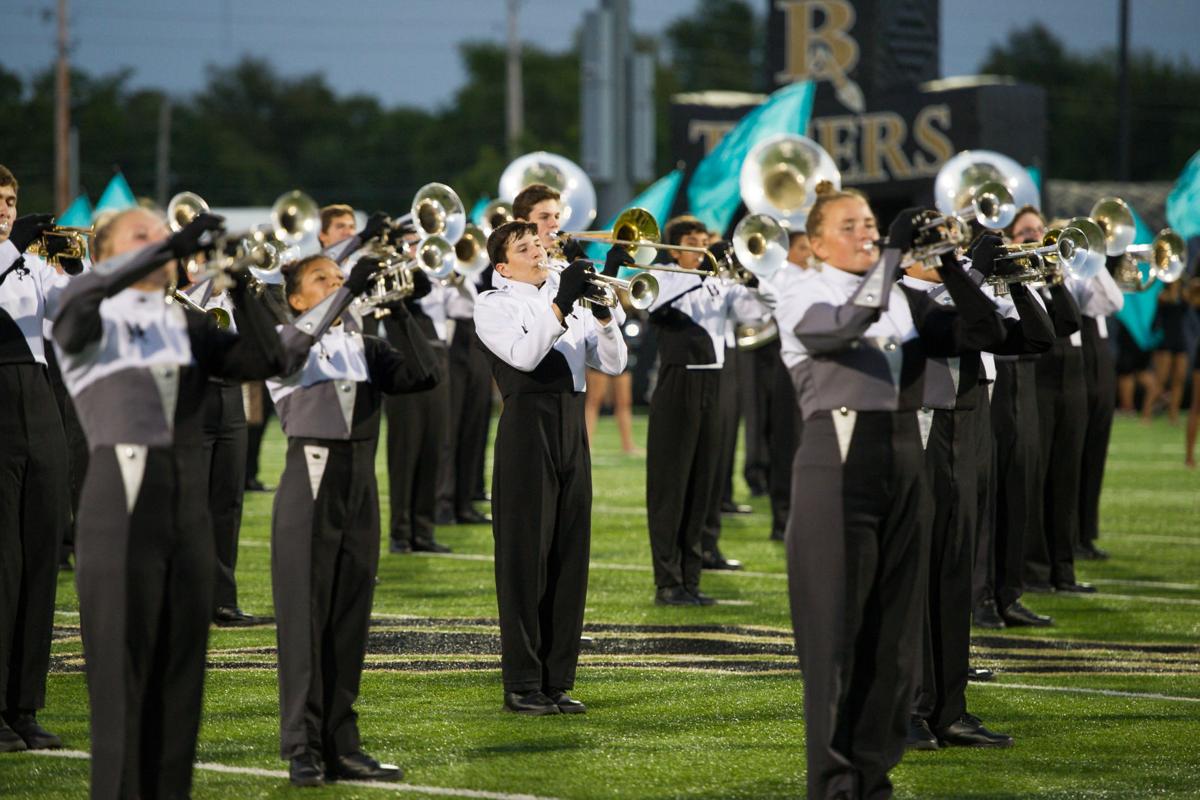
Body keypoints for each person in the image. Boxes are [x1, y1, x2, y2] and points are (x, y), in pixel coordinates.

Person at [775, 184, 1007, 799]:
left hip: (904, 462)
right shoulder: (801, 286)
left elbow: (986, 330)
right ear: (816, 242)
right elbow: (838, 331)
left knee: (894, 644)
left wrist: (954, 264)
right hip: (838, 464)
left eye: (870, 224)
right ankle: (834, 785)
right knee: (837, 639)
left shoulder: (903, 296)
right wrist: (891, 259)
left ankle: (873, 778)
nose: (865, 233)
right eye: (848, 226)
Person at [51, 206, 285, 798]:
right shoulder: (87, 307)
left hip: (185, 502)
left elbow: (269, 360)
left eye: (165, 236)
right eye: (144, 235)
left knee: (182, 677)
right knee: (122, 672)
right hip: (122, 491)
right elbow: (79, 308)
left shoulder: (185, 323)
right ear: (105, 253)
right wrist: (173, 244)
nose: (162, 244)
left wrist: (245, 281)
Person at [268, 252, 440, 786]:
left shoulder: (364, 344)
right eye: (322, 279)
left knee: (349, 618)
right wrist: (347, 293)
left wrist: (403, 309)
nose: (338, 284)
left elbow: (424, 375)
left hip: (360, 479)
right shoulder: (282, 336)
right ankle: (302, 746)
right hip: (311, 474)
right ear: (296, 297)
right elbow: (292, 351)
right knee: (305, 615)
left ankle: (342, 744)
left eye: (342, 278)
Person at [901, 234, 1055, 752]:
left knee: (955, 572)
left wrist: (1020, 284)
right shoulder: (897, 295)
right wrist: (969, 272)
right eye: (938, 254)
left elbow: (1036, 340)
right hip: (920, 432)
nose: (949, 261)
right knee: (918, 574)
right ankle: (910, 708)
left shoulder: (960, 294)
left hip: (968, 427)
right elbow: (939, 324)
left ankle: (949, 710)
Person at [474, 221, 627, 715]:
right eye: (525, 248)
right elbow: (524, 356)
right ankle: (522, 683)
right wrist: (560, 303)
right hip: (526, 428)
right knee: (524, 559)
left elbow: (614, 364)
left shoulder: (567, 295)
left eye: (538, 244)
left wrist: (603, 315)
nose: (539, 252)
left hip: (571, 426)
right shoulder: (493, 304)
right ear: (503, 267)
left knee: (569, 555)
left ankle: (557, 680)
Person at [644, 216, 775, 605]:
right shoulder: (662, 275)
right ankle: (667, 581)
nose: (701, 247)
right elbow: (655, 306)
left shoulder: (719, 281)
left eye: (704, 241)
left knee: (704, 483)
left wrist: (749, 276)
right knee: (671, 486)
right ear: (674, 249)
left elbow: (761, 310)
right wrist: (705, 271)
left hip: (714, 383)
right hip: (678, 382)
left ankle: (691, 578)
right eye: (692, 242)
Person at [0, 164, 70, 754]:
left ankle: (24, 706)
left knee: (42, 555)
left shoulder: (28, 263)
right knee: (3, 562)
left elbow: (74, 311)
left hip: (39, 396)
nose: (5, 208)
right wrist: (13, 248)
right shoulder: (11, 256)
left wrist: (80, 268)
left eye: (10, 199)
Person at [973, 207, 1061, 629]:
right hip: (984, 390)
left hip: (1016, 385)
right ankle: (981, 596)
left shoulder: (1012, 278)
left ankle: (1009, 593)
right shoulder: (963, 280)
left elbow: (1046, 329)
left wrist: (1018, 279)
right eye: (1024, 232)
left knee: (1016, 491)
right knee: (986, 500)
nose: (1032, 238)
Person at [764, 230, 814, 541]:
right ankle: (782, 520)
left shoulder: (816, 277)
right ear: (791, 250)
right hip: (791, 365)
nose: (809, 253)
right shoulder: (781, 278)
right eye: (803, 248)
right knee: (787, 442)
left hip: (817, 366)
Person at [1075, 255, 1125, 560]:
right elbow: (1102, 303)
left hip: (1101, 357)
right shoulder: (1074, 277)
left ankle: (1086, 533)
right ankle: (1072, 535)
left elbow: (1114, 299)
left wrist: (1096, 261)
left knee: (1095, 451)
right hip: (1080, 356)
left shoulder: (1090, 271)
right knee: (1076, 455)